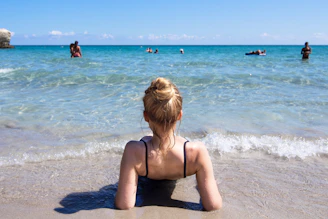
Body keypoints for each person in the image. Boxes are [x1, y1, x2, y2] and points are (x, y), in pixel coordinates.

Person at [115, 77, 222, 211]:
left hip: (148, 163)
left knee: (147, 138)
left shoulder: (133, 151)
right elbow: (213, 205)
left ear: (146, 116)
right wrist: (203, 186)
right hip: (181, 159)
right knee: (179, 141)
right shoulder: (196, 152)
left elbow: (123, 204)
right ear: (179, 115)